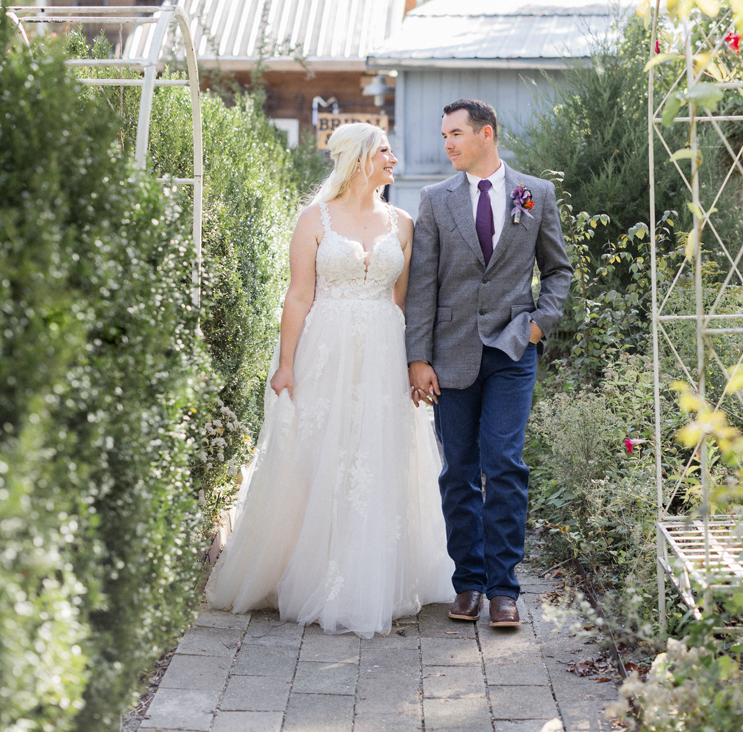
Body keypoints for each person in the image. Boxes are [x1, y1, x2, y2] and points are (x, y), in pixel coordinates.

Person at [206, 122, 453, 638]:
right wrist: (286, 363)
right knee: (320, 451)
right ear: (361, 159)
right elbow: (298, 296)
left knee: (376, 454)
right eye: (385, 150)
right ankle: (308, 569)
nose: (393, 158)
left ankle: (371, 577)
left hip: (383, 348)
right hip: (326, 345)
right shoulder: (313, 219)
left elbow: (403, 302)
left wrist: (412, 362)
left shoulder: (403, 223)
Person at [406, 99, 573, 628]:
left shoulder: (535, 194)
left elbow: (558, 272)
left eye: (456, 133)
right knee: (458, 471)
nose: (448, 143)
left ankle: (504, 589)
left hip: (511, 350)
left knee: (504, 463)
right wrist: (417, 357)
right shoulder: (434, 201)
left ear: (486, 134)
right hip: (451, 354)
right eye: (444, 135)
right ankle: (468, 584)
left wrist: (537, 325)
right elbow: (422, 285)